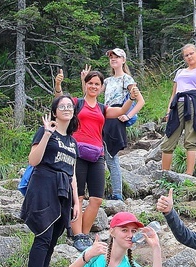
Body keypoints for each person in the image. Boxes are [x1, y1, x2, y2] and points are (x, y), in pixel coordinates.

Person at [54, 69, 135, 252]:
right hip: (77, 153)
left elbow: (122, 110)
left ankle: (83, 233)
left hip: (97, 154)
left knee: (97, 199)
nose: (93, 86)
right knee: (78, 196)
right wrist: (58, 85)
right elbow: (59, 103)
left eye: (97, 84)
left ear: (101, 88)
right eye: (90, 83)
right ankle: (77, 235)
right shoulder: (77, 103)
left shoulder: (102, 108)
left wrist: (131, 97)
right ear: (86, 84)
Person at [18, 96, 82, 267]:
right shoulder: (46, 132)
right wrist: (46, 133)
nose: (66, 109)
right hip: (44, 185)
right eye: (61, 106)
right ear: (54, 112)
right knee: (43, 235)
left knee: (53, 240)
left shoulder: (73, 142)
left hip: (63, 191)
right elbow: (33, 160)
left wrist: (76, 202)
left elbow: (72, 172)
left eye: (69, 106)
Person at [98, 48, 145, 201]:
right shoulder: (107, 81)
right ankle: (107, 192)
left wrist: (128, 115)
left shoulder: (127, 79)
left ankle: (117, 193)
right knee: (102, 155)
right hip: (105, 116)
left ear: (123, 60)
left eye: (117, 57)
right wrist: (84, 79)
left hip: (116, 118)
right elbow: (91, 95)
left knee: (111, 156)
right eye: (111, 57)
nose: (113, 59)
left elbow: (140, 100)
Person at [161, 36, 196, 176]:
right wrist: (168, 111)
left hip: (193, 103)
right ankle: (164, 173)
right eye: (186, 55)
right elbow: (173, 93)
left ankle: (189, 174)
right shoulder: (180, 72)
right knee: (169, 138)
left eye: (191, 53)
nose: (189, 57)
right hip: (178, 103)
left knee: (190, 139)